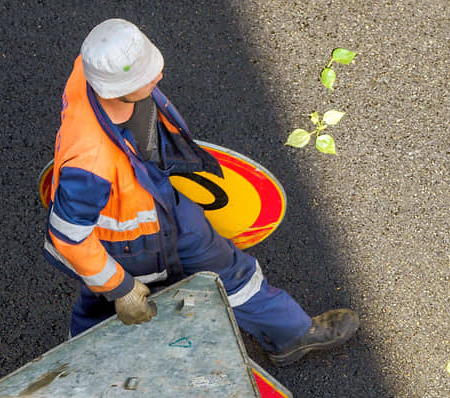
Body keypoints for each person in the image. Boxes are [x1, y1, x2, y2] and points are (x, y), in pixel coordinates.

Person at [43, 18, 359, 366]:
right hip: (129, 242)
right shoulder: (90, 164)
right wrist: (120, 287)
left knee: (232, 271)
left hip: (160, 201)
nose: (158, 76)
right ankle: (81, 366)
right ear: (115, 88)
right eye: (146, 75)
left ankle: (291, 334)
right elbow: (69, 237)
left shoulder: (93, 67)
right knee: (108, 305)